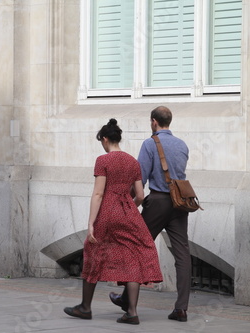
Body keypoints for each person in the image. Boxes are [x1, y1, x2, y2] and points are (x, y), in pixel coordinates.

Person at [63, 118, 163, 325]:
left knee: (93, 252)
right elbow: (141, 196)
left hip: (108, 213)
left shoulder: (103, 160)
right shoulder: (132, 162)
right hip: (129, 213)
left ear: (106, 139)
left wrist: (91, 222)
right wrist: (127, 208)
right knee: (133, 256)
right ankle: (132, 312)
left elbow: (98, 193)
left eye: (102, 141)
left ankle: (85, 307)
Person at [109, 106, 191, 322]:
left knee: (136, 248)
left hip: (158, 202)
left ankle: (128, 302)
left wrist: (125, 204)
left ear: (154, 121)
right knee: (182, 254)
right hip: (180, 203)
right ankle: (181, 308)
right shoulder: (182, 144)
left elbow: (140, 178)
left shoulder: (150, 143)